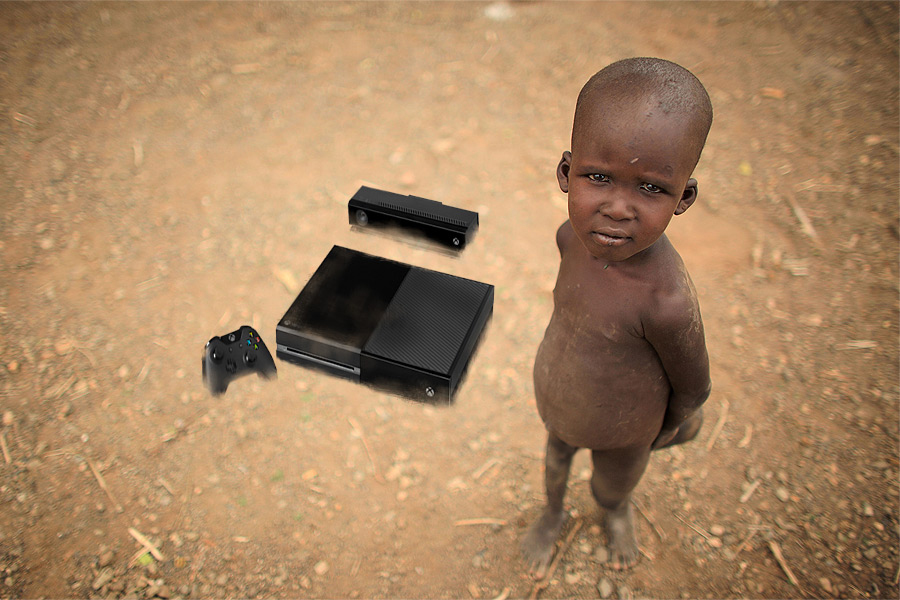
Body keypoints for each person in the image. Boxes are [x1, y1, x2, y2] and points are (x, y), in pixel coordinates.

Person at [522, 57, 713, 576]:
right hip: (561, 398)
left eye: (651, 188)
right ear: (566, 173)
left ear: (684, 197)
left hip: (629, 426)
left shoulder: (665, 300)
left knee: (612, 484)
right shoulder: (570, 240)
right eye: (599, 177)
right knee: (555, 462)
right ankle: (552, 513)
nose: (618, 208)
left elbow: (694, 386)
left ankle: (616, 510)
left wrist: (667, 430)